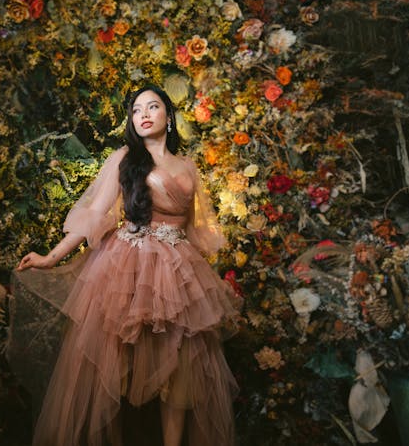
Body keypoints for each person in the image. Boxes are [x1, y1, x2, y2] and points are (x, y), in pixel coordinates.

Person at [16, 85, 242, 446]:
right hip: (128, 267)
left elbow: (193, 227)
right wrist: (51, 257)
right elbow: (95, 214)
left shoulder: (187, 166)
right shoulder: (124, 159)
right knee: (111, 366)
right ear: (131, 120)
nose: (144, 114)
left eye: (153, 107)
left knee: (182, 363)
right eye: (137, 110)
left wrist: (194, 277)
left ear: (169, 117)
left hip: (176, 267)